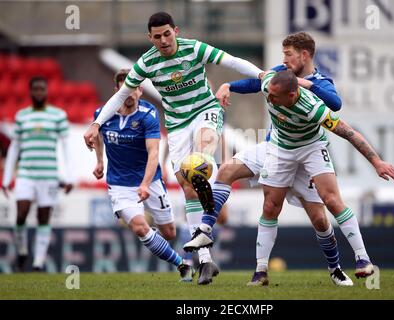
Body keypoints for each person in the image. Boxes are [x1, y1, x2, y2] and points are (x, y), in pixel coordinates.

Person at [83, 12, 263, 285]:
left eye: (167, 34)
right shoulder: (146, 63)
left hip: (205, 110)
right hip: (177, 125)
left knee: (202, 149)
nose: (164, 40)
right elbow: (120, 95)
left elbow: (232, 61)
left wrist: (261, 74)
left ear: (175, 31)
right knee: (187, 187)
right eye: (157, 36)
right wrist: (96, 123)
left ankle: (207, 176)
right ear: (150, 38)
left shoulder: (194, 49)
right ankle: (204, 260)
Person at [184, 32, 355, 286]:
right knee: (230, 174)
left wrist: (307, 85)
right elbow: (257, 81)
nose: (283, 60)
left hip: (305, 157)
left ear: (304, 55)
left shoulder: (320, 82)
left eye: (288, 54)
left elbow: (335, 103)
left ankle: (335, 268)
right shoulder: (278, 73)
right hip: (274, 149)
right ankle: (212, 235)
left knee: (319, 218)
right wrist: (229, 85)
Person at [247, 70, 394, 285]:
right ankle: (261, 271)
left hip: (311, 148)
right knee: (270, 206)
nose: (269, 98)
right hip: (280, 149)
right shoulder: (269, 86)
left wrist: (377, 162)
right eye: (269, 93)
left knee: (331, 202)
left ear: (291, 95)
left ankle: (362, 259)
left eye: (274, 96)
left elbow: (349, 133)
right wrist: (228, 87)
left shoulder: (313, 110)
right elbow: (260, 75)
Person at [92, 69, 193, 281]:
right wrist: (100, 161)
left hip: (151, 180)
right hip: (120, 185)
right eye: (124, 90)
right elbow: (98, 136)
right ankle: (181, 264)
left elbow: (153, 152)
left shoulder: (149, 115)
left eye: (133, 89)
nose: (129, 94)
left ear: (140, 90)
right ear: (117, 91)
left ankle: (155, 235)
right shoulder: (102, 114)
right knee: (139, 228)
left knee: (169, 233)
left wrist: (146, 184)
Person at [1, 76, 74, 272]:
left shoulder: (58, 115)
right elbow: (14, 148)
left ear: (47, 91)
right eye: (36, 89)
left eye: (42, 89)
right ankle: (23, 250)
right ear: (31, 91)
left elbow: (66, 148)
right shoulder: (22, 116)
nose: (39, 92)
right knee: (21, 215)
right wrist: (7, 178)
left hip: (49, 176)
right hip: (26, 174)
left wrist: (69, 177)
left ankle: (38, 263)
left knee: (43, 218)